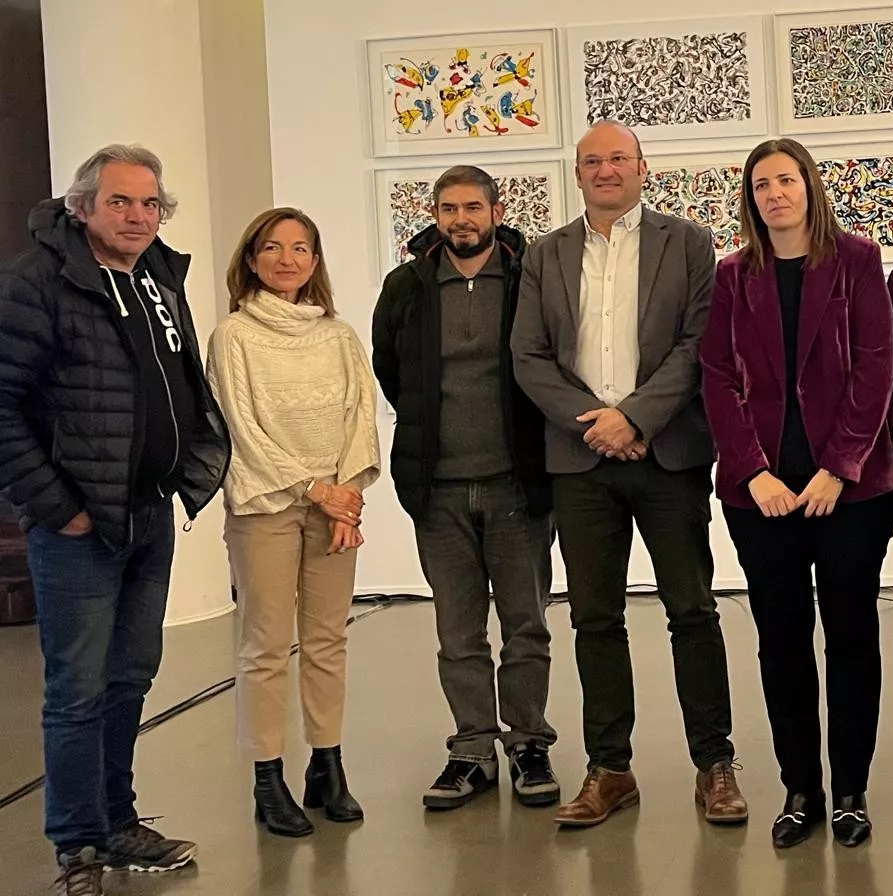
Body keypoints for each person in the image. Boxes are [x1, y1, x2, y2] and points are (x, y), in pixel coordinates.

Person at [0, 145, 231, 895]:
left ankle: (117, 819)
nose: (138, 216)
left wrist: (190, 463)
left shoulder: (159, 273)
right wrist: (57, 508)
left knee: (130, 676)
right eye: (121, 202)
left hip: (147, 513)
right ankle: (77, 844)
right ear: (82, 207)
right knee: (76, 688)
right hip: (79, 527)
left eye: (150, 204)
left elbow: (178, 378)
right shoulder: (38, 281)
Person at [512, 120, 746, 828]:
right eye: (592, 160)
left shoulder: (690, 242)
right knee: (594, 619)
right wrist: (598, 422)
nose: (606, 170)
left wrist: (636, 418)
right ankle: (610, 770)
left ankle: (715, 765)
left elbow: (697, 343)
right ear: (576, 173)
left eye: (618, 158)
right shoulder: (545, 255)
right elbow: (529, 356)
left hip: (667, 455)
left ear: (643, 168)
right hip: (580, 462)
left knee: (692, 612)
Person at [699, 138, 893, 849]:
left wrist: (840, 466)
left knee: (850, 636)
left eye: (786, 180)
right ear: (750, 199)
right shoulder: (732, 276)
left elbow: (877, 365)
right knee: (780, 643)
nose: (775, 194)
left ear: (810, 187)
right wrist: (754, 471)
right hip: (763, 498)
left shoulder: (857, 260)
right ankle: (800, 790)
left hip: (851, 493)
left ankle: (849, 791)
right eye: (761, 185)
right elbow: (716, 377)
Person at [372, 165, 560, 813]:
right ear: (435, 214)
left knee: (526, 625)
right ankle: (473, 750)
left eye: (473, 206)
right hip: (439, 492)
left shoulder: (530, 278)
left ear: (496, 209)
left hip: (518, 486)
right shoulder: (408, 286)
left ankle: (529, 744)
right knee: (458, 634)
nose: (461, 219)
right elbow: (390, 370)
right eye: (449, 208)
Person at [208, 207, 380, 838]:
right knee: (266, 644)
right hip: (267, 507)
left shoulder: (337, 334)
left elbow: (361, 414)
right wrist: (314, 489)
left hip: (334, 508)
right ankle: (266, 774)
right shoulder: (234, 335)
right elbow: (238, 425)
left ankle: (327, 766)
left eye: (301, 248)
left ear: (315, 262)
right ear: (251, 260)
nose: (288, 259)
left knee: (330, 638)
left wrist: (347, 496)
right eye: (274, 248)